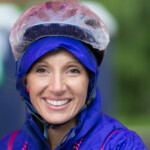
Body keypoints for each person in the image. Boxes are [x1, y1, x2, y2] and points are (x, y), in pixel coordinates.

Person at [0, 1, 147, 150]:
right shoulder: (9, 145)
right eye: (42, 70)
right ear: (25, 81)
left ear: (90, 81)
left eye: (73, 71)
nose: (57, 87)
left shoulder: (121, 146)